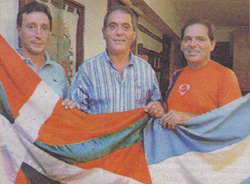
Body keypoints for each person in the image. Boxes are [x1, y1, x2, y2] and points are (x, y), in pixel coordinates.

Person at [63, 5, 163, 117]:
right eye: (112, 26)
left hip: (136, 135)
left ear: (134, 35)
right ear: (103, 32)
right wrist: (73, 108)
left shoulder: (146, 70)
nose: (119, 32)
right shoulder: (87, 70)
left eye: (126, 27)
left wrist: (157, 108)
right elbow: (76, 113)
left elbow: (156, 105)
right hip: (100, 134)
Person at [160, 18, 241, 129]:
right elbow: (170, 112)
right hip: (175, 144)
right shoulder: (176, 75)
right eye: (187, 39)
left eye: (201, 39)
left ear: (212, 45)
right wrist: (158, 110)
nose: (193, 45)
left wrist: (189, 118)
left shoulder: (225, 75)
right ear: (182, 45)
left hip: (204, 145)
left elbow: (233, 122)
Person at [16, 1, 67, 99]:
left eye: (44, 28)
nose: (38, 35)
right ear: (19, 31)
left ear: (49, 33)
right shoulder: (5, 66)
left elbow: (62, 111)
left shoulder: (58, 71)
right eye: (31, 27)